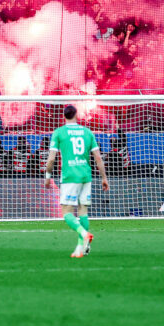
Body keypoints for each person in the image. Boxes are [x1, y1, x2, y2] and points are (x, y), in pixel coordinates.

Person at [42, 104, 109, 258]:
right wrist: (104, 178)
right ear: (76, 115)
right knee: (83, 211)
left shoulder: (59, 133)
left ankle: (84, 234)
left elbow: (51, 159)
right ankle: (81, 248)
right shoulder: (87, 132)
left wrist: (47, 177)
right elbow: (98, 157)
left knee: (66, 212)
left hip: (70, 176)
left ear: (64, 116)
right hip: (86, 175)